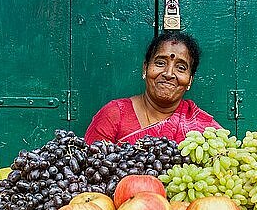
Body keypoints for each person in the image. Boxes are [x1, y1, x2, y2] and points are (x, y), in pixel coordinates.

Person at [84, 31, 222, 145]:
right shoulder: (114, 115)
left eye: (181, 68)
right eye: (160, 63)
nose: (168, 73)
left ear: (190, 80)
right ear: (145, 68)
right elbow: (91, 169)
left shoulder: (205, 129)